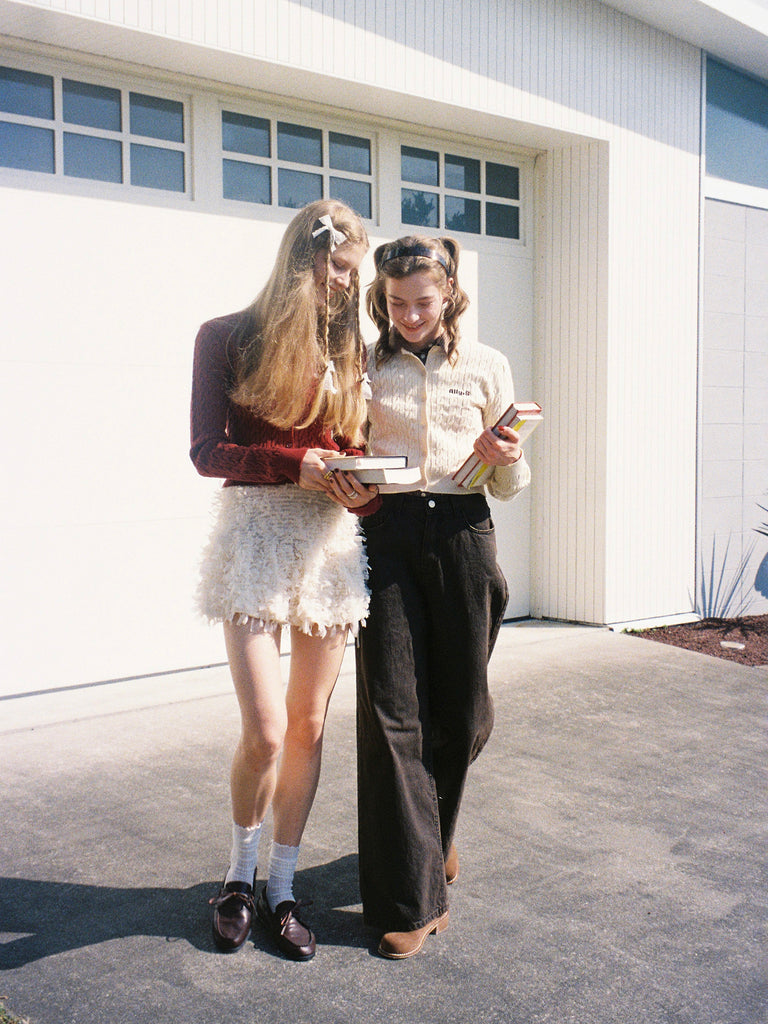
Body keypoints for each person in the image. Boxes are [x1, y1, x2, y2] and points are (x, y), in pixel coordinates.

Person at [190, 199, 378, 961]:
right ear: (304, 259)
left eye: (354, 273)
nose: (346, 285)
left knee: (308, 726)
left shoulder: (352, 350)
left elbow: (353, 452)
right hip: (255, 539)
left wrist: (359, 484)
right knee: (266, 730)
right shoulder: (225, 336)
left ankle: (283, 887)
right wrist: (292, 463)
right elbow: (206, 451)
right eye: (338, 268)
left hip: (327, 543)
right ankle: (238, 877)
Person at [355, 235, 531, 959]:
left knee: (463, 712)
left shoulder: (487, 365)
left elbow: (511, 485)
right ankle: (413, 900)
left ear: (449, 293)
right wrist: (349, 478)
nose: (410, 315)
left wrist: (507, 457)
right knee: (391, 714)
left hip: (464, 534)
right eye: (396, 303)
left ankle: (436, 829)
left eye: (423, 302)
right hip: (387, 536)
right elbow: (347, 448)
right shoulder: (364, 365)